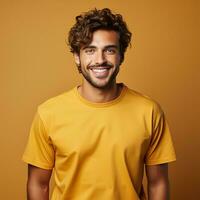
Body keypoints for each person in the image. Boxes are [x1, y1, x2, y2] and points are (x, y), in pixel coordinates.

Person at [22, 8, 176, 200]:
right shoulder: (49, 113)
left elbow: (158, 183)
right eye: (90, 50)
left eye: (109, 50)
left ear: (121, 56)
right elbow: (38, 184)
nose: (100, 60)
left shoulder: (149, 111)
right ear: (77, 57)